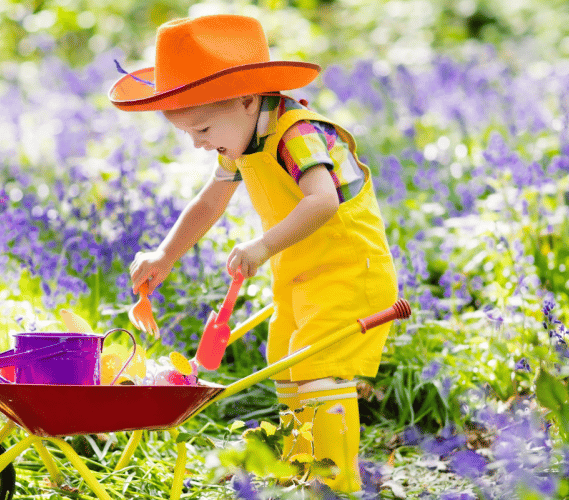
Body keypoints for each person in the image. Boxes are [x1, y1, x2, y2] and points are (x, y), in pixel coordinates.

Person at [109, 14, 398, 492]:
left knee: (318, 374)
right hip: (300, 275)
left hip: (351, 273)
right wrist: (165, 255)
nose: (199, 143)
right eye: (189, 135)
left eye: (201, 128)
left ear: (246, 100)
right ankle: (306, 475)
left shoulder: (296, 133)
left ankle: (336, 485)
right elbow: (209, 202)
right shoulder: (242, 136)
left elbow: (322, 200)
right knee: (287, 368)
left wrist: (262, 246)